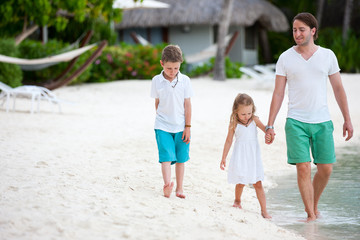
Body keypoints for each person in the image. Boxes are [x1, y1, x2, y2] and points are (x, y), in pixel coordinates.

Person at [265, 12, 354, 222]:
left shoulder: (328, 56)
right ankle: (311, 216)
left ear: (313, 31)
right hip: (295, 121)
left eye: (301, 29)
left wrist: (347, 119)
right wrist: (270, 124)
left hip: (322, 121)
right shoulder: (286, 58)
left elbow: (339, 88)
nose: (297, 33)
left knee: (326, 169)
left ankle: (313, 205)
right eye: (294, 30)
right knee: (303, 167)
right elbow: (278, 93)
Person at [150, 45, 194, 198]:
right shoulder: (156, 80)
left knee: (181, 158)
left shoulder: (185, 81)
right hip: (162, 125)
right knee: (166, 157)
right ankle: (167, 185)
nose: (173, 72)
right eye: (169, 68)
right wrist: (163, 118)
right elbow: (157, 102)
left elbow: (187, 105)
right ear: (162, 63)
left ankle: (179, 188)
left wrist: (187, 127)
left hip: (181, 126)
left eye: (176, 68)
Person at [220, 93, 272, 219]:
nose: (246, 116)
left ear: (252, 110)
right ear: (236, 112)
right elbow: (228, 141)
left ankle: (264, 210)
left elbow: (265, 129)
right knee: (241, 181)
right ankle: (237, 200)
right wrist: (223, 157)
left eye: (249, 113)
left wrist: (269, 133)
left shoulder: (254, 120)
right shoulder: (234, 123)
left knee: (258, 183)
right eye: (243, 114)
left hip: (253, 157)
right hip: (241, 156)